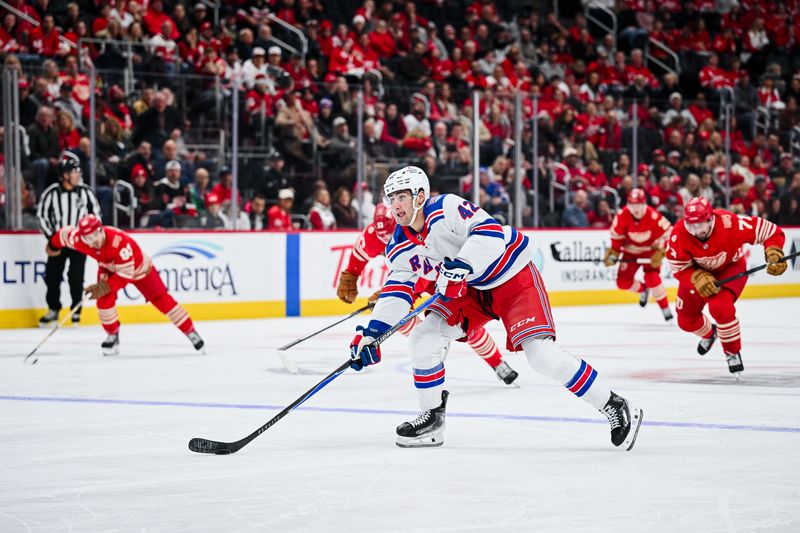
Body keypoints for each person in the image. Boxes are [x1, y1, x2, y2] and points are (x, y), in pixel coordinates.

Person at [349, 166, 642, 450]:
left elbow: (489, 232)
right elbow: (397, 289)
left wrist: (462, 265)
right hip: (471, 289)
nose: (395, 205)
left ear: (421, 196)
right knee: (423, 338)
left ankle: (613, 403)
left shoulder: (446, 208)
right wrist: (372, 334)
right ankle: (433, 419)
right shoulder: (399, 244)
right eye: (391, 198)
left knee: (540, 356)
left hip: (510, 276)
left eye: (402, 197)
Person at [337, 203, 519, 385]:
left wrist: (392, 294)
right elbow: (360, 253)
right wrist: (351, 275)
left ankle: (497, 363)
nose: (389, 247)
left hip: (443, 274)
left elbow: (421, 275)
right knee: (399, 320)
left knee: (465, 323)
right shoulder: (375, 235)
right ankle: (431, 341)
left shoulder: (424, 224)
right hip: (411, 274)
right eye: (384, 244)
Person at [47, 214, 205, 355]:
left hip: (140, 270)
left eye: (95, 235)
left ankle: (190, 331)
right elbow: (62, 235)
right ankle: (112, 334)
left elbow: (125, 276)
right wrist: (52, 246)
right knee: (104, 302)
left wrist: (101, 287)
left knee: (162, 300)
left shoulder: (119, 243)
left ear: (101, 230)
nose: (93, 241)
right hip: (108, 267)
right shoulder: (79, 239)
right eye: (88, 238)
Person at [666, 196, 787, 376]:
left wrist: (773, 250)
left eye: (699, 225)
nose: (695, 230)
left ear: (710, 218)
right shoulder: (679, 234)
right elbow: (678, 268)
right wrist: (696, 277)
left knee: (720, 307)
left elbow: (769, 231)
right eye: (691, 226)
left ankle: (732, 351)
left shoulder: (730, 223)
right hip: (697, 275)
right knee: (685, 321)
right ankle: (709, 334)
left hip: (729, 269)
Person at [36, 155, 101, 326]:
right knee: (52, 276)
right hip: (59, 241)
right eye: (74, 172)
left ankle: (75, 310)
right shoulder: (51, 193)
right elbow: (42, 215)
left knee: (76, 276)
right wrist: (52, 238)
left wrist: (88, 236)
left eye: (78, 171)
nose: (78, 175)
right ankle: (54, 309)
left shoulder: (86, 192)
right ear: (64, 175)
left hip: (80, 242)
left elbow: (96, 215)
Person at [603, 189, 673, 321]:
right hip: (630, 252)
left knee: (652, 278)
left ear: (644, 204)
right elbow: (616, 238)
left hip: (649, 253)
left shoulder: (654, 216)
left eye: (638, 204)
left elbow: (670, 233)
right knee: (622, 283)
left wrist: (661, 251)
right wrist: (614, 253)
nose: (635, 208)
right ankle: (643, 289)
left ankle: (665, 307)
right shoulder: (622, 215)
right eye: (632, 204)